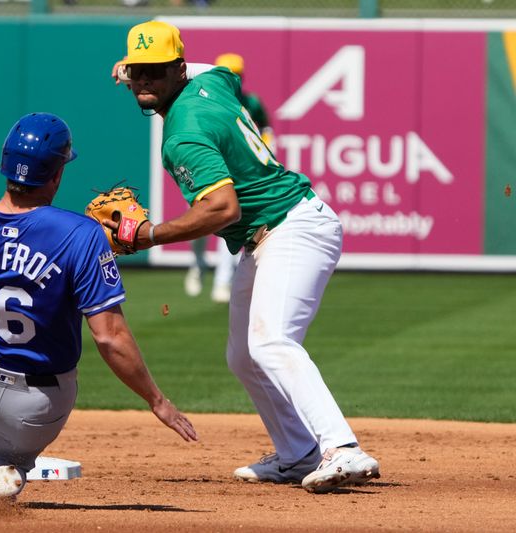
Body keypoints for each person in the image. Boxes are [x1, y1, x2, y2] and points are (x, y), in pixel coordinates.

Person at [109, 21, 379, 493]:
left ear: (176, 70)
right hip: (269, 234)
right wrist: (161, 66)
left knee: (273, 342)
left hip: (291, 227)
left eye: (155, 71)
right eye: (137, 71)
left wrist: (148, 234)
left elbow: (221, 208)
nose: (144, 81)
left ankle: (343, 449)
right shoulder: (210, 81)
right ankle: (297, 453)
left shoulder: (184, 133)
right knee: (243, 355)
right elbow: (220, 71)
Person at [0, 112, 197, 501]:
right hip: (36, 404)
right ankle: (0, 474)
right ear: (57, 174)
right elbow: (109, 338)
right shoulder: (81, 235)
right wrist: (157, 401)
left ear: (4, 165)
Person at [184, 52, 274, 303]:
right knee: (199, 225)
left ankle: (223, 281)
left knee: (231, 221)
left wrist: (266, 147)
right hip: (206, 170)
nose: (233, 78)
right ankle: (198, 263)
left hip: (236, 174)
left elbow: (265, 128)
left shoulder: (250, 102)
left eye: (238, 74)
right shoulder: (203, 97)